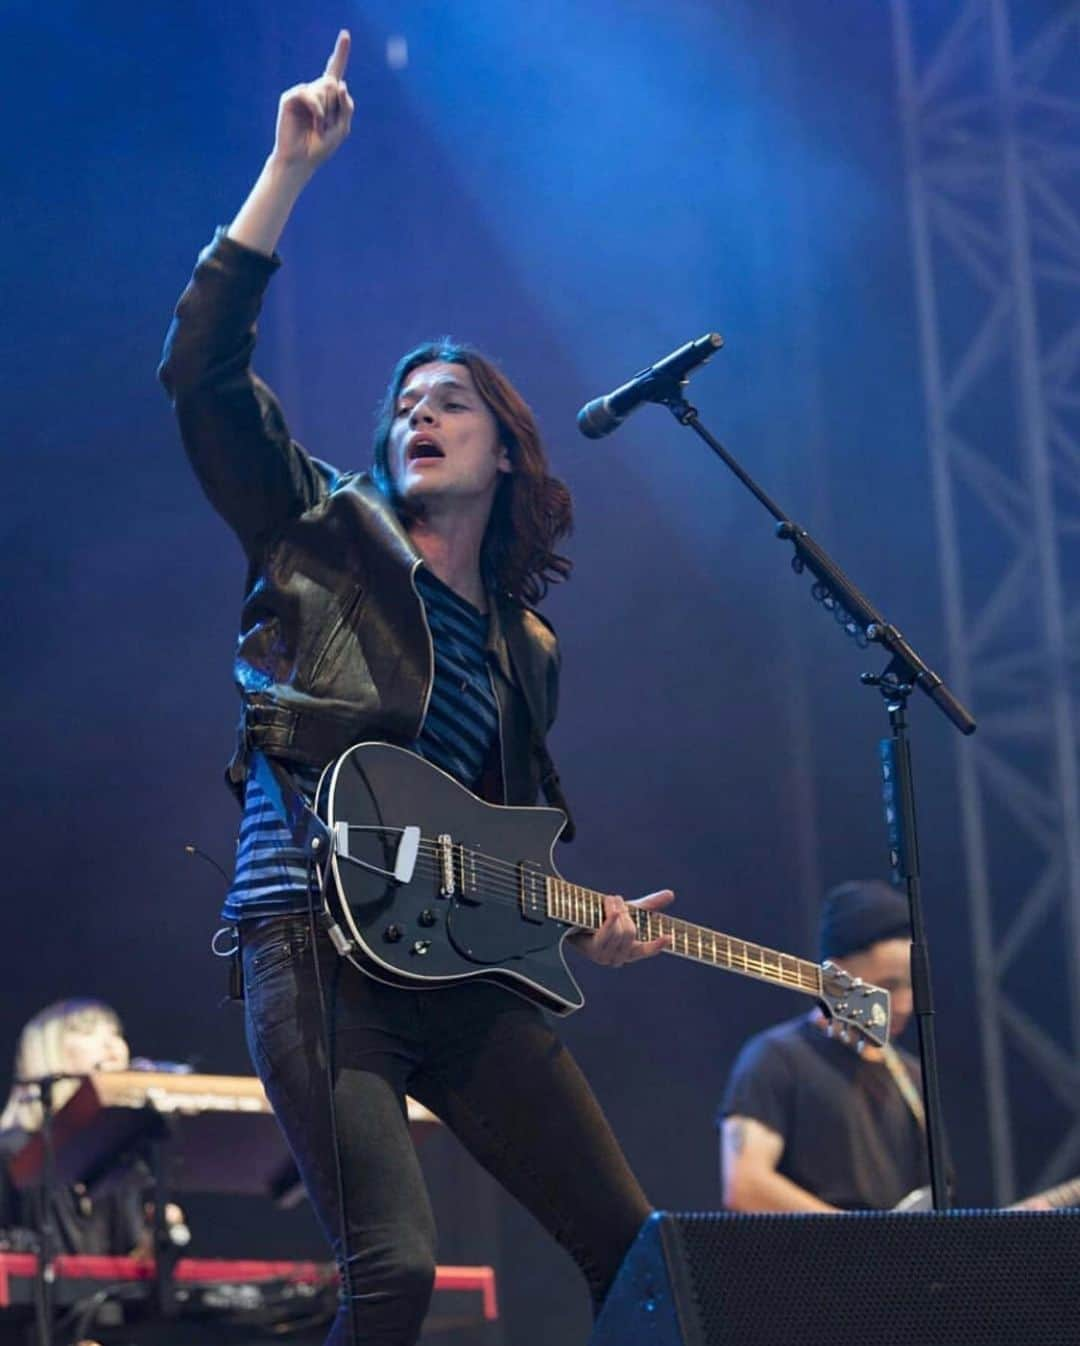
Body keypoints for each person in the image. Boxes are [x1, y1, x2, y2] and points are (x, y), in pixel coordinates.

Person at [159, 30, 673, 1346]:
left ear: (507, 447)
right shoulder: (323, 530)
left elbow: (503, 848)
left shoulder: (527, 651)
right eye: (405, 404)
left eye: (450, 401)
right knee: (392, 1269)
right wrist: (286, 171)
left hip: (454, 969)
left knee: (643, 1254)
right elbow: (204, 377)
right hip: (312, 940)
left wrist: (585, 924)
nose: (417, 415)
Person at [718, 879, 929, 1212]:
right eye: (888, 986)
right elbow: (746, 1187)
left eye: (910, 986)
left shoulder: (913, 1077)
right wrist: (868, 1241)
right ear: (836, 976)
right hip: (810, 1261)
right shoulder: (776, 1058)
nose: (904, 1004)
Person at [0, 999, 149, 1256]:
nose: (112, 1046)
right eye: (88, 1032)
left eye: (115, 1034)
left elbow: (130, 1256)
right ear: (49, 1050)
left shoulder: (123, 1157)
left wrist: (156, 1239)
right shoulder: (13, 1150)